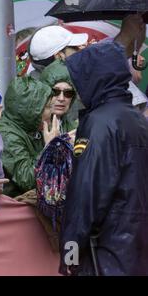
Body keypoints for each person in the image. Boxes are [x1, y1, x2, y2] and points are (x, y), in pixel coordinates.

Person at [59, 41, 148, 276]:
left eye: (79, 79)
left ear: (94, 77)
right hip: (134, 248)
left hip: (104, 250)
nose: (76, 88)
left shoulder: (99, 123)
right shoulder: (137, 120)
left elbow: (86, 193)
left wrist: (70, 254)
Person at [0, 77, 58, 197]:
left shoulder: (30, 128)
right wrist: (50, 147)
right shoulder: (6, 135)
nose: (52, 111)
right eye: (48, 107)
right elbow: (27, 180)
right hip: (12, 208)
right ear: (32, 110)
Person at [39, 60, 78, 135]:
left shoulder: (75, 130)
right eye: (55, 92)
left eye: (68, 93)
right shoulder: (30, 131)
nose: (61, 98)